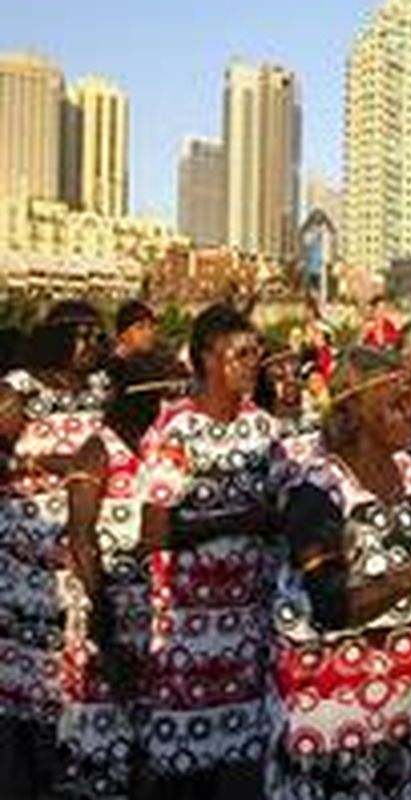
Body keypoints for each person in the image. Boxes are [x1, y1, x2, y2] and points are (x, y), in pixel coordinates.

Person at [271, 347, 411, 798]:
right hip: (331, 709)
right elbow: (332, 604)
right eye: (396, 404)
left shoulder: (409, 473)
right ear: (353, 412)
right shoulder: (319, 490)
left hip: (402, 704)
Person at [136, 303, 286, 799]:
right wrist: (237, 521)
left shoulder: (265, 429)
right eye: (239, 354)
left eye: (255, 354)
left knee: (239, 770)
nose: (251, 363)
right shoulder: (175, 430)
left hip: (248, 625)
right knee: (184, 774)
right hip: (188, 627)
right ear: (206, 358)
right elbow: (155, 532)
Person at [57, 351, 187, 798]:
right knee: (100, 726)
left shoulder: (157, 449)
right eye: (161, 398)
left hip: (150, 607)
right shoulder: (97, 451)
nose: (169, 407)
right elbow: (80, 539)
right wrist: (103, 617)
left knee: (146, 732)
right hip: (105, 604)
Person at [0, 300, 111, 797]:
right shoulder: (20, 389)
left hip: (86, 542)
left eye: (96, 336)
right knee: (28, 670)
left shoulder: (103, 388)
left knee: (78, 662)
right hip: (28, 553)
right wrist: (54, 463)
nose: (89, 345)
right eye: (79, 336)